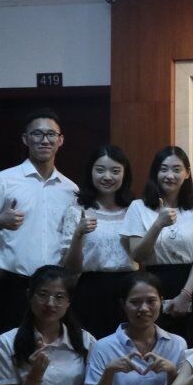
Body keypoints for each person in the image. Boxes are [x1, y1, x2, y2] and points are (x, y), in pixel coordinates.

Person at [0, 109, 77, 335]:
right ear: (25, 139)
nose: (45, 140)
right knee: (12, 349)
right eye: (37, 134)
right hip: (16, 287)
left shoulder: (71, 189)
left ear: (60, 140)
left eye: (51, 134)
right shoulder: (4, 180)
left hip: (57, 289)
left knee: (56, 349)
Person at [122, 146, 193, 344]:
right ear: (155, 172)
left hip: (192, 283)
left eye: (176, 169)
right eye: (164, 169)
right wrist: (158, 224)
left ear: (187, 173)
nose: (170, 175)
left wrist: (186, 294)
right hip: (154, 283)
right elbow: (137, 255)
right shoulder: (138, 207)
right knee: (157, 344)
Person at [61, 144, 137, 338]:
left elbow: (143, 255)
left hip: (129, 290)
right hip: (90, 289)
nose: (107, 177)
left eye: (115, 171)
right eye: (100, 170)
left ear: (125, 174)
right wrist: (78, 234)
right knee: (92, 346)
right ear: (91, 172)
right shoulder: (77, 211)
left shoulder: (134, 210)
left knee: (128, 347)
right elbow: (71, 268)